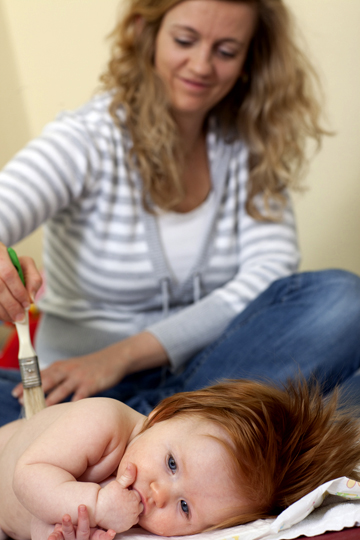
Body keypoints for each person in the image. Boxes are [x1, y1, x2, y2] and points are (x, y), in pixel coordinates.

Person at [1, 0, 360, 425]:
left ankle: (158, 429)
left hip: (208, 386)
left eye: (226, 51)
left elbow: (268, 275)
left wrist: (120, 356)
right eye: (185, 40)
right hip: (83, 394)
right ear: (144, 34)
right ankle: (175, 438)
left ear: (250, 59)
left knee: (342, 300)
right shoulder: (86, 139)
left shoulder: (251, 148)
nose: (202, 65)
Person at [1, 379, 359, 540]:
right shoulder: (103, 423)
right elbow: (27, 478)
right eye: (172, 464)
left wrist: (69, 531)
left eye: (185, 508)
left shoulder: (135, 511)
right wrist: (94, 505)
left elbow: (39, 520)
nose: (159, 494)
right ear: (163, 414)